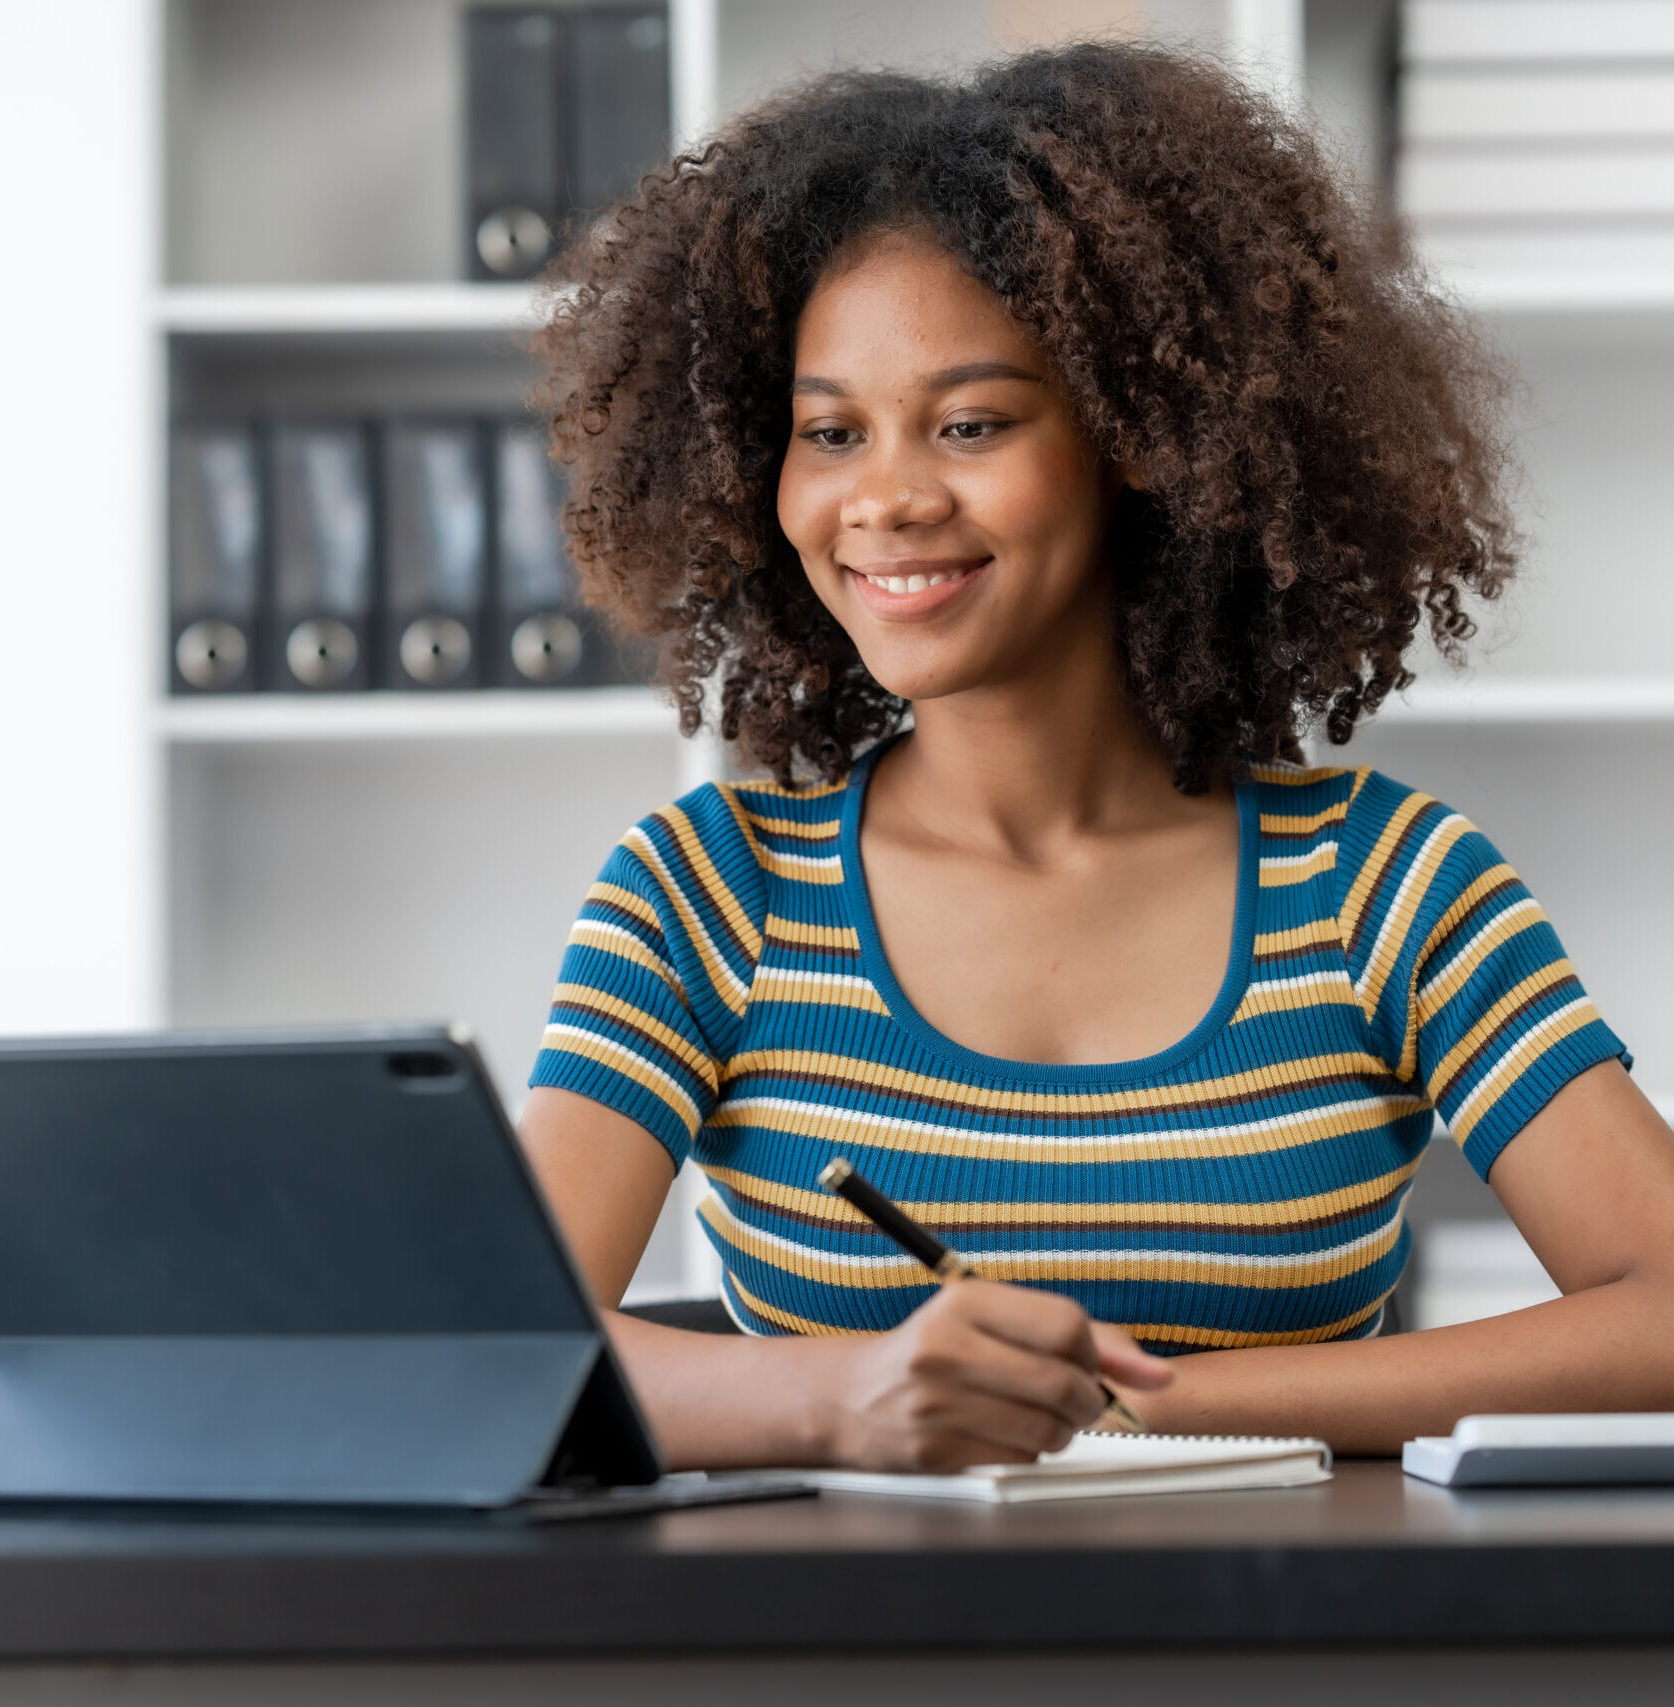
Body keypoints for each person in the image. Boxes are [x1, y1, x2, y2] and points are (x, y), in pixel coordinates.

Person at [516, 42, 1674, 1468]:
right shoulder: (704, 897)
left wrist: (1137, 1408)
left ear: (1142, 438)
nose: (883, 499)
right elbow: (512, 1358)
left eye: (971, 423)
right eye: (829, 433)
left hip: (1285, 1655)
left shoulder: (1386, 883)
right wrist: (841, 1402)